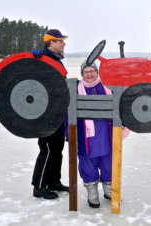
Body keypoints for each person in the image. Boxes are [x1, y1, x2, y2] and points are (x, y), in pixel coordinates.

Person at [76, 61, 129, 208]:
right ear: (82, 74)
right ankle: (92, 192)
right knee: (88, 165)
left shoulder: (108, 87)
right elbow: (68, 115)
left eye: (92, 71)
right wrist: (70, 134)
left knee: (108, 164)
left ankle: (109, 190)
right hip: (85, 136)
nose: (90, 74)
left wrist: (124, 126)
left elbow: (120, 107)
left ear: (97, 72)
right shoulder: (75, 89)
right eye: (86, 72)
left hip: (106, 134)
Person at [31, 29, 69, 199]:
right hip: (44, 114)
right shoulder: (41, 59)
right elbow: (29, 80)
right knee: (46, 149)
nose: (64, 43)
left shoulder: (56, 60)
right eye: (61, 41)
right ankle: (39, 187)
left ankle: (53, 181)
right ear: (51, 42)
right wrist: (33, 60)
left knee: (57, 149)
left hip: (57, 112)